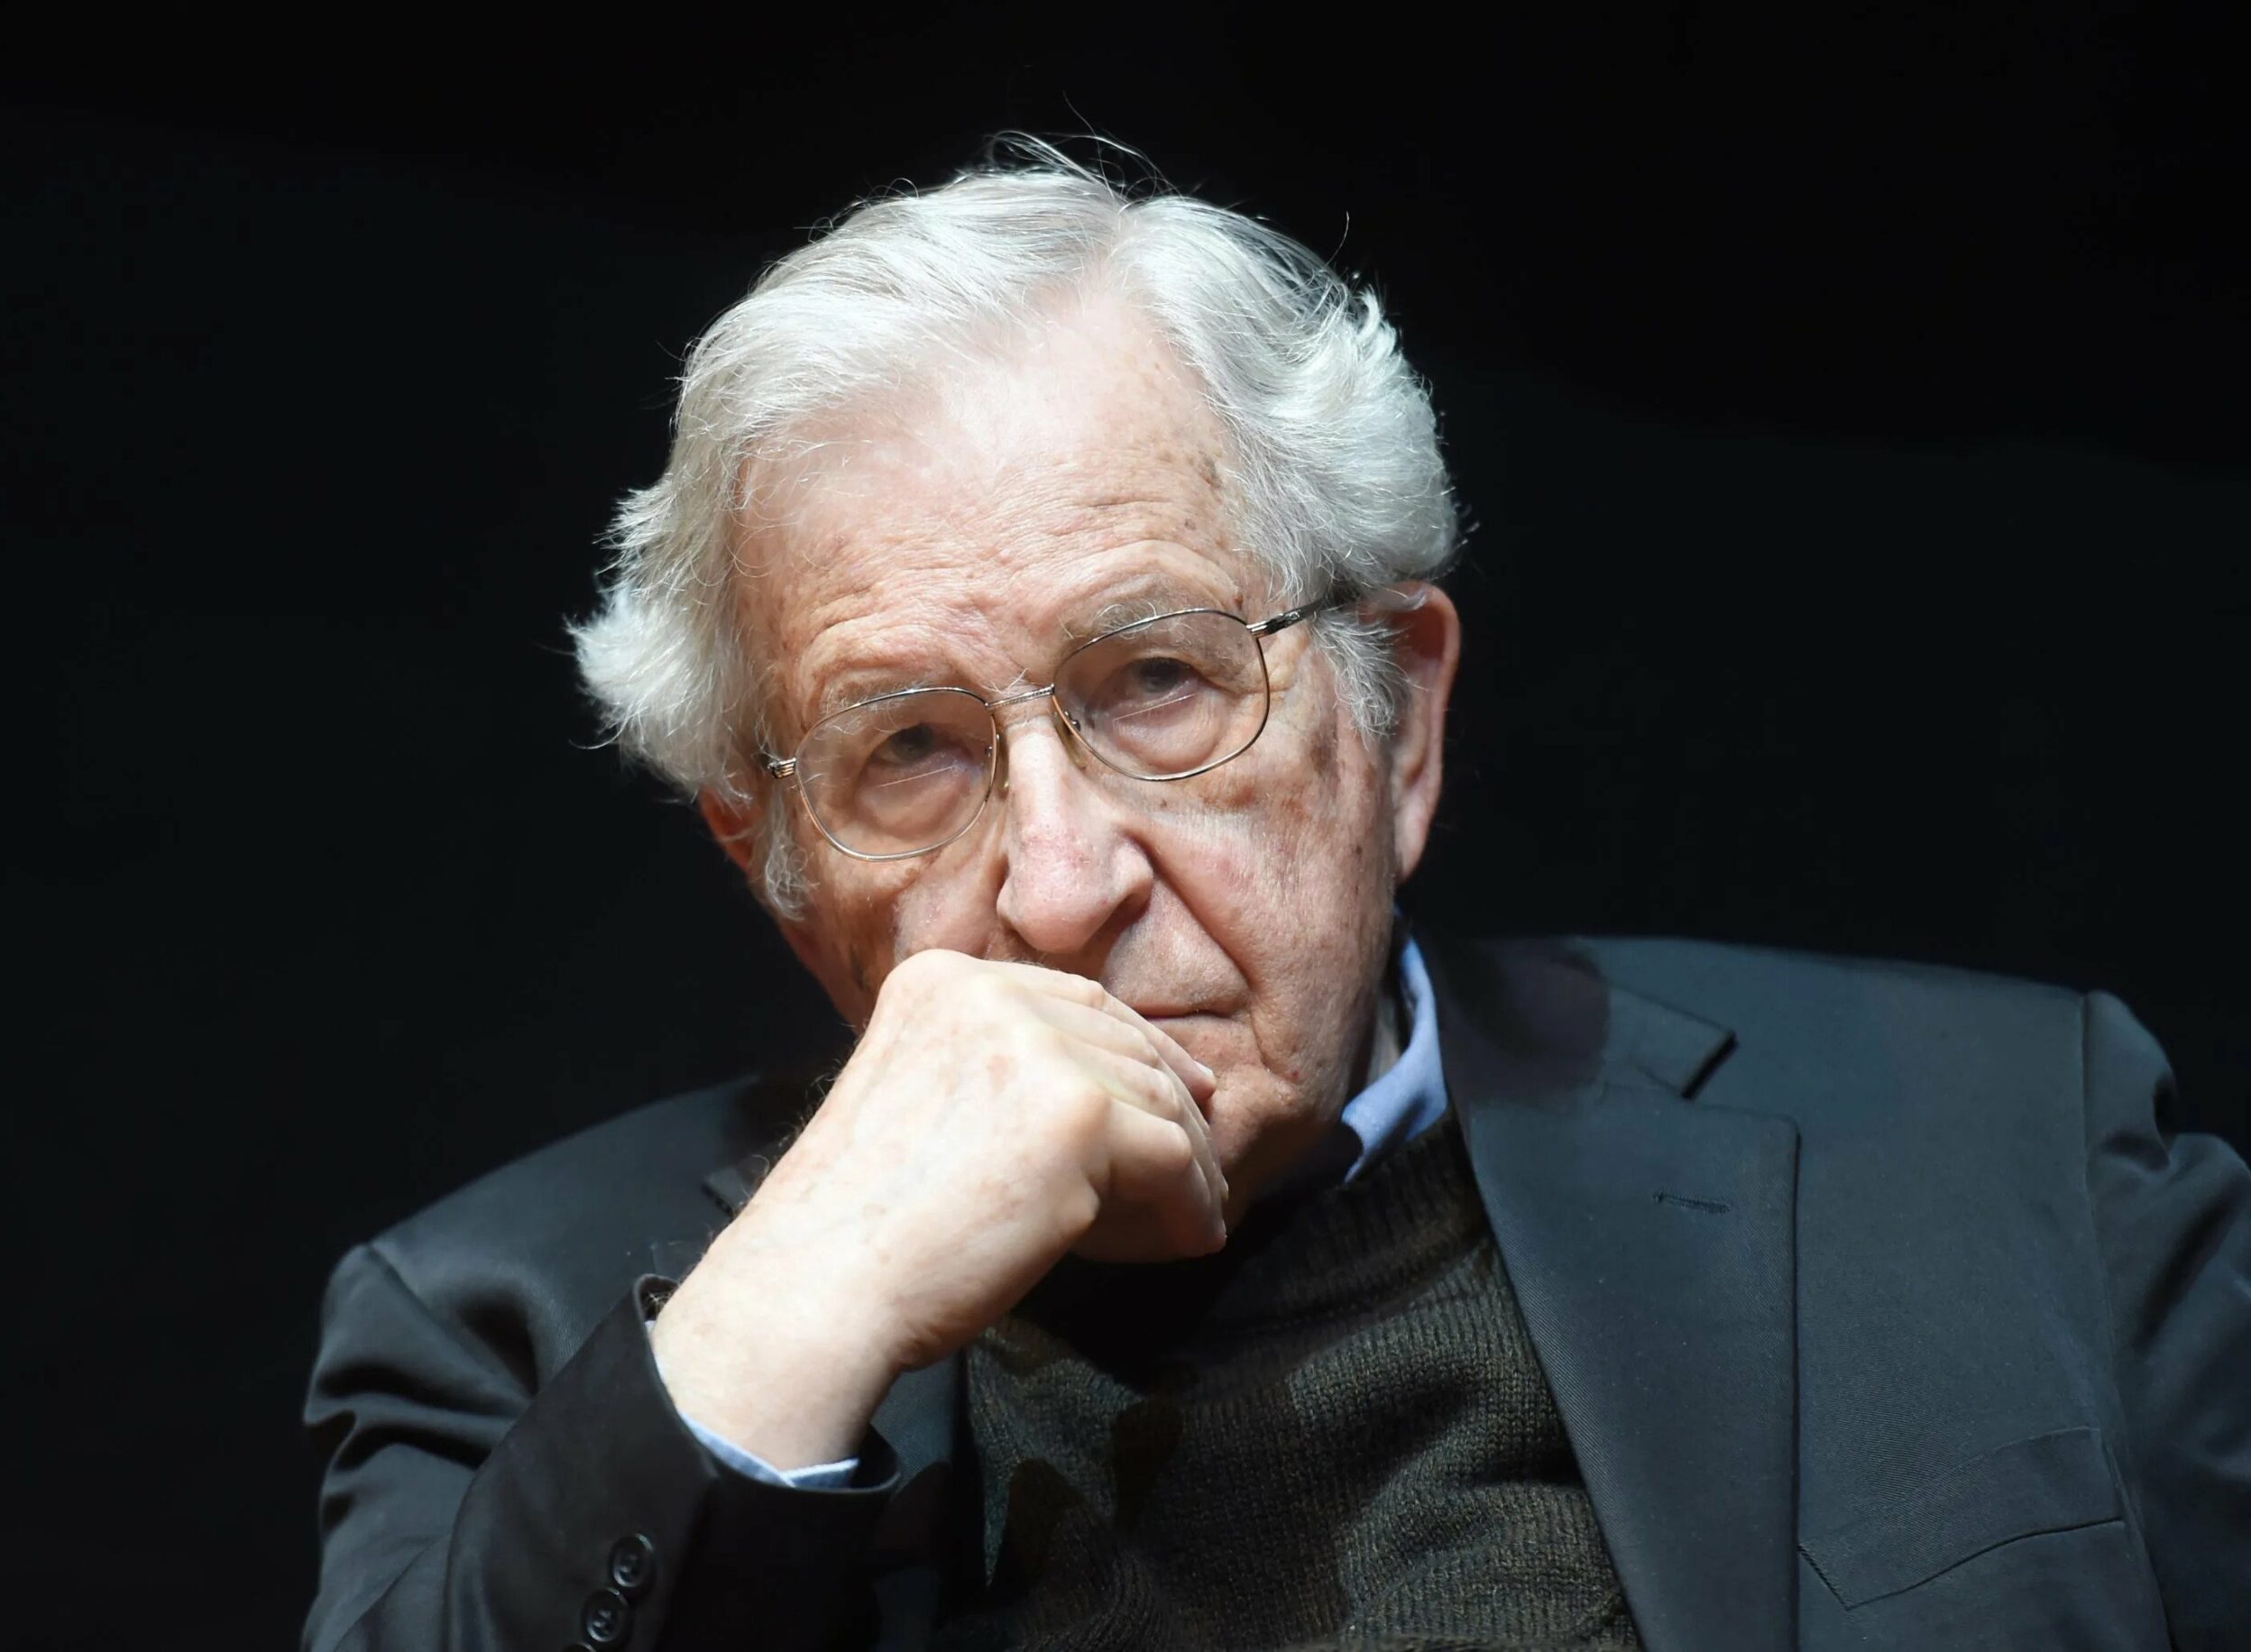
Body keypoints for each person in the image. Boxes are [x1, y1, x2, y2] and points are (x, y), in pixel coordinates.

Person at [301, 147, 2250, 1651]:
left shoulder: (2017, 1156)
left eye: (1157, 681)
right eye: (911, 751)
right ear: (779, 869)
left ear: (1395, 721)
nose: (1060, 885)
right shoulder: (498, 1327)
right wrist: (804, 1302)